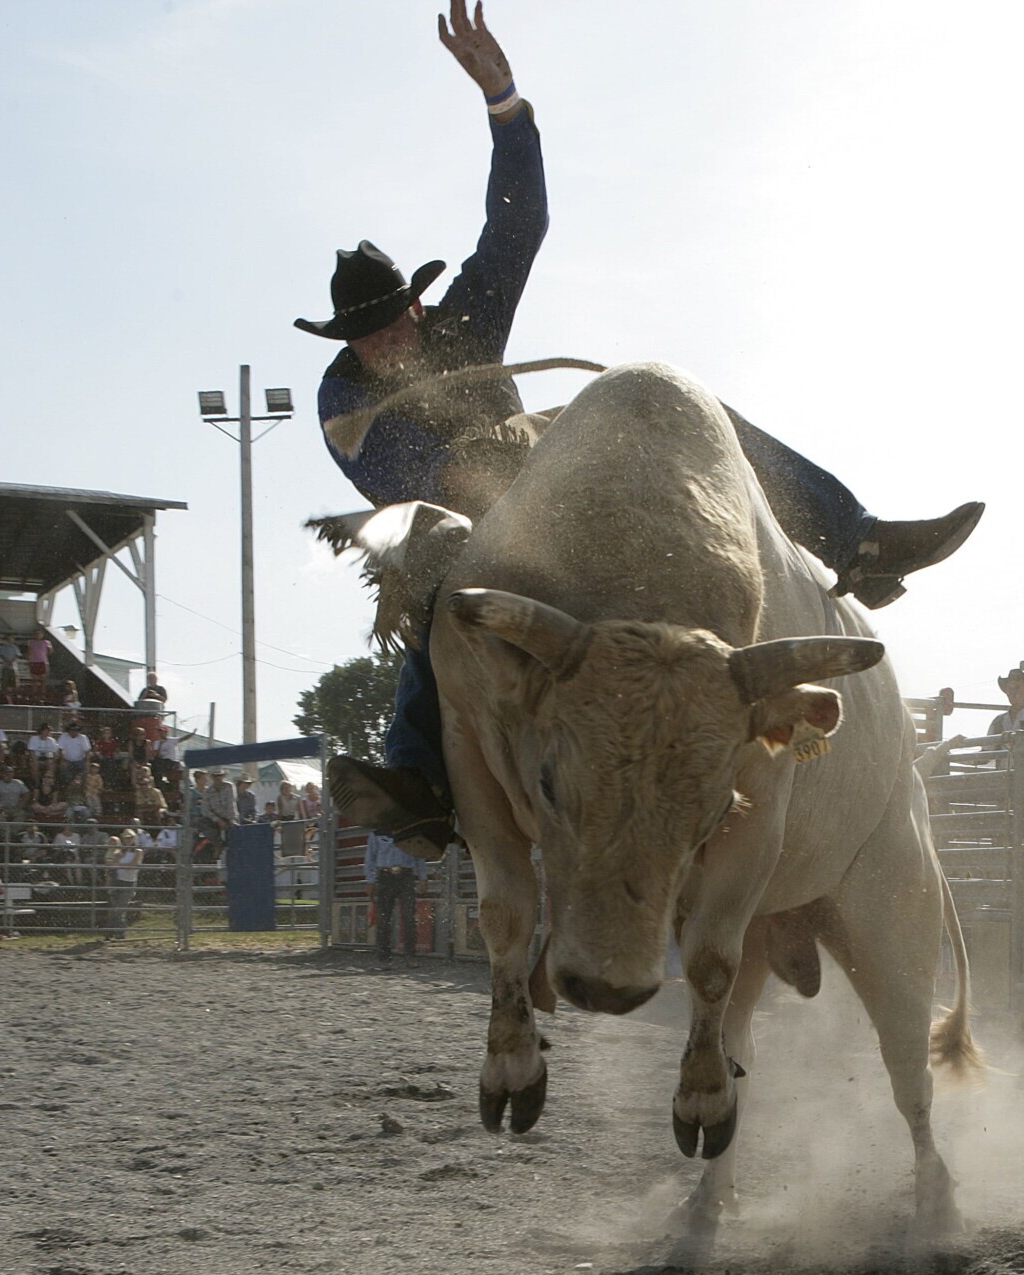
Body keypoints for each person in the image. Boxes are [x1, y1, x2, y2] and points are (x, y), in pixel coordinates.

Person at [311, 0, 985, 858]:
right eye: (367, 334)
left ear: (414, 303)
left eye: (391, 320)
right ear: (349, 343)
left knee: (699, 417)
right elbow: (401, 475)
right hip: (469, 519)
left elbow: (518, 226)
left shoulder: (460, 323)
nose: (385, 339)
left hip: (544, 472)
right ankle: (420, 780)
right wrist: (465, 469)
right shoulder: (344, 398)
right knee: (444, 584)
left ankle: (854, 542)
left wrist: (505, 104)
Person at [366, 827, 425, 959]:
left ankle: (411, 955)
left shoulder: (412, 832)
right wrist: (370, 880)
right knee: (384, 917)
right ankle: (383, 955)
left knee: (409, 917)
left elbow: (419, 856)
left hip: (406, 875)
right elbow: (370, 858)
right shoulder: (377, 833)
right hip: (385, 875)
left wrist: (423, 877)